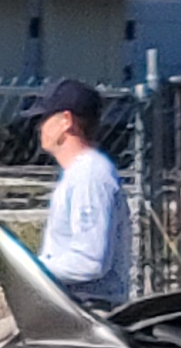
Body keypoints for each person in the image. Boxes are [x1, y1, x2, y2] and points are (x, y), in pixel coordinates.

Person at [32, 77, 129, 308]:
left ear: (66, 121)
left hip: (89, 311)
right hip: (72, 308)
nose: (39, 127)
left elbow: (90, 261)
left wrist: (32, 270)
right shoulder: (80, 173)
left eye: (44, 118)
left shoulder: (91, 175)